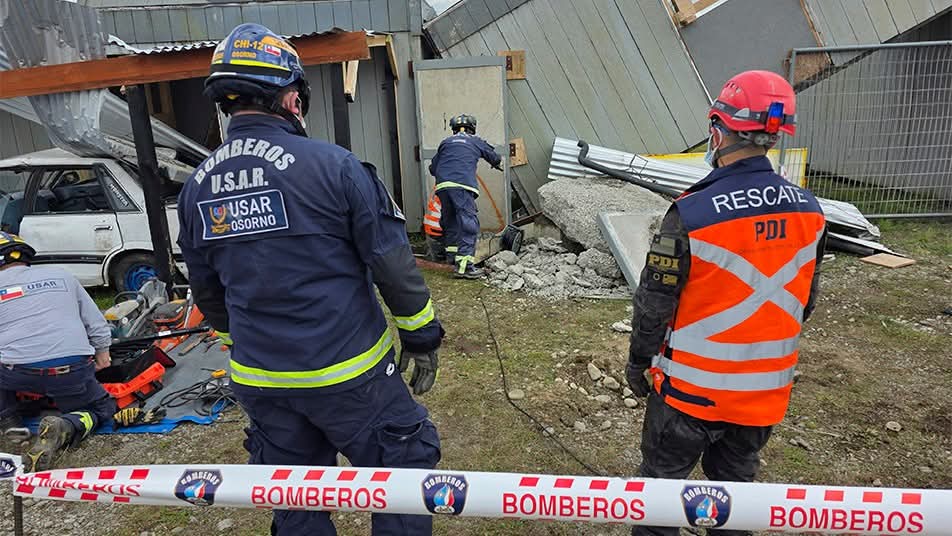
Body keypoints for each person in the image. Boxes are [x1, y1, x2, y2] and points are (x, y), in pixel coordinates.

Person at [177, 24, 445, 536]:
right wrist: (421, 334)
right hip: (348, 375)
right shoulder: (335, 167)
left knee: (296, 497)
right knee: (401, 475)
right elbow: (391, 263)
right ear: (292, 98)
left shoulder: (197, 187)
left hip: (261, 381)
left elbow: (206, 288)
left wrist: (240, 343)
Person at [625, 70, 827, 536]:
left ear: (719, 128)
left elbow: (654, 304)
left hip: (687, 398)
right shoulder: (810, 210)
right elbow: (805, 302)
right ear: (774, 137)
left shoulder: (692, 211)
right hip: (761, 400)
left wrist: (638, 365)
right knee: (734, 505)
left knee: (660, 502)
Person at [0, 232, 116, 472]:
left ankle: (9, 420)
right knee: (101, 409)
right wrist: (103, 352)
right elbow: (95, 323)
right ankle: (66, 424)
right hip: (70, 371)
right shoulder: (62, 276)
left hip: (16, 373)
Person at [428, 114, 502, 279]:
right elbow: (494, 157)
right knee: (468, 222)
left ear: (454, 129)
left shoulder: (446, 142)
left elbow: (433, 168)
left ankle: (452, 259)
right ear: (472, 128)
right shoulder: (475, 141)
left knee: (450, 221)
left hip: (443, 187)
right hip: (462, 186)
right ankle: (465, 268)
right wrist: (496, 163)